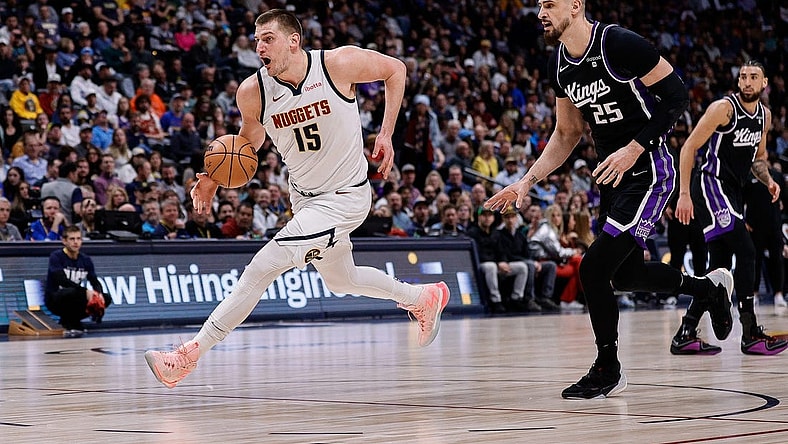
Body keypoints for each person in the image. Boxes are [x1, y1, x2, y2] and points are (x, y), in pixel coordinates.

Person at [144, 9, 450, 389]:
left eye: (267, 39)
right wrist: (211, 179)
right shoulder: (252, 91)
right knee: (342, 279)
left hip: (345, 197)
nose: (259, 47)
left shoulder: (338, 64)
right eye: (256, 40)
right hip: (305, 201)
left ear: (293, 40)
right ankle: (423, 297)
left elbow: (396, 70)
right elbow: (248, 143)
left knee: (261, 268)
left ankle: (187, 356)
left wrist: (386, 133)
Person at [485, 0, 733, 399]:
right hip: (612, 176)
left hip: (649, 170)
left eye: (549, 3)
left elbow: (677, 97)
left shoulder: (618, 43)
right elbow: (566, 134)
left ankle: (607, 368)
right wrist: (525, 182)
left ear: (576, 6)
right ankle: (707, 290)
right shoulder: (559, 64)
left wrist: (635, 147)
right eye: (538, 4)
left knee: (594, 269)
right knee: (625, 276)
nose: (541, 11)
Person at [673, 60, 788, 356]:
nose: (747, 81)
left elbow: (758, 158)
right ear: (738, 82)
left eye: (754, 77)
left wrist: (767, 181)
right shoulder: (723, 108)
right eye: (743, 77)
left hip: (733, 191)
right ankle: (749, 331)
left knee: (719, 265)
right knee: (747, 251)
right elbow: (689, 148)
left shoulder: (765, 116)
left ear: (765, 84)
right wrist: (684, 194)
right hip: (710, 184)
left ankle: (685, 332)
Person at [45, 225, 111, 338]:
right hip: (55, 298)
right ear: (64, 241)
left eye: (78, 238)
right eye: (72, 239)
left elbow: (94, 281)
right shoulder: (56, 256)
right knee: (73, 293)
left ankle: (73, 322)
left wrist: (98, 295)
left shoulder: (85, 259)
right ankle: (68, 321)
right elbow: (61, 280)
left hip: (75, 295)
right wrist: (85, 291)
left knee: (106, 298)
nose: (76, 242)